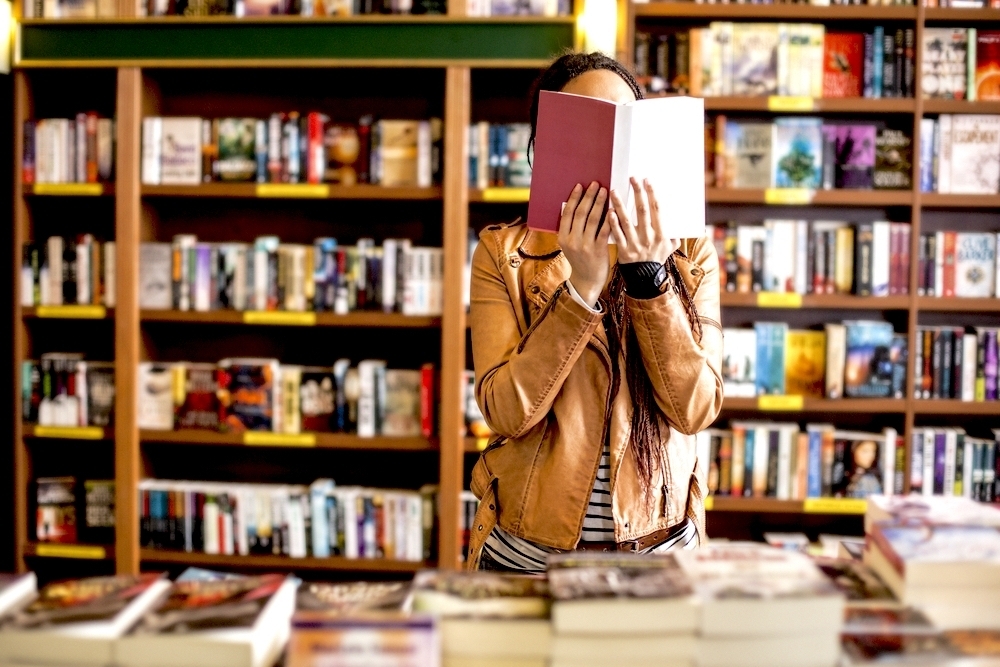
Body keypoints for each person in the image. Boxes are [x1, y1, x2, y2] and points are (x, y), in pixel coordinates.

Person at [466, 52, 724, 572]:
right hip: (529, 560)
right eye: (589, 124)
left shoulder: (690, 254)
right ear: (546, 150)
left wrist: (649, 277)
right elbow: (506, 412)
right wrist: (579, 290)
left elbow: (695, 408)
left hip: (658, 555)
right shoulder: (504, 254)